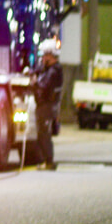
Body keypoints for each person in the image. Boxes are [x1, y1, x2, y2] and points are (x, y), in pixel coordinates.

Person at [33, 39, 64, 170]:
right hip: (46, 106)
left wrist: (34, 83)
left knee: (44, 134)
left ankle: (49, 162)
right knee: (42, 134)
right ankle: (47, 161)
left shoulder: (53, 71)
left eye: (45, 55)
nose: (43, 58)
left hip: (47, 106)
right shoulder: (50, 69)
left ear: (51, 55)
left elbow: (44, 85)